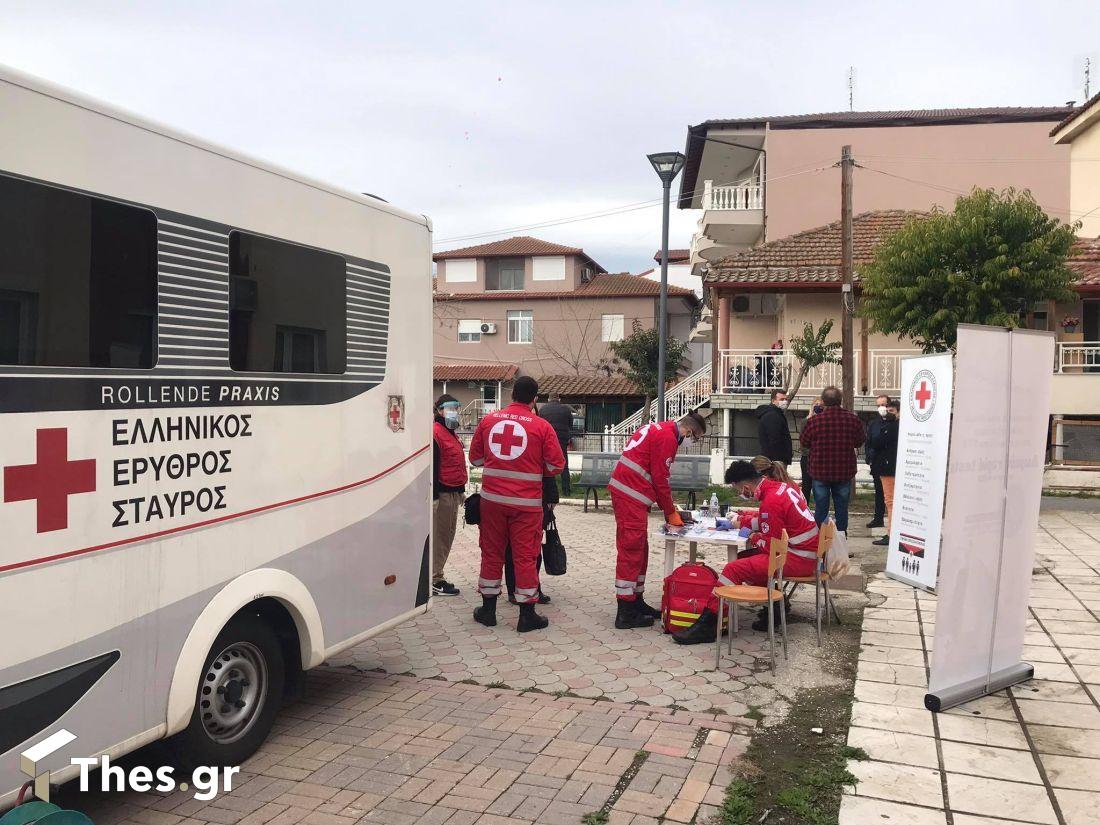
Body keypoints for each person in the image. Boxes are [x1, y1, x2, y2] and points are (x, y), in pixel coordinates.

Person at [672, 457, 820, 644]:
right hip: (806, 554)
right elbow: (770, 520)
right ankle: (772, 607)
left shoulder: (771, 500)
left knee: (733, 569)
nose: (741, 494)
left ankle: (709, 624)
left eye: (738, 490)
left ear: (746, 488)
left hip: (798, 559)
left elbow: (771, 547)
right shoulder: (782, 488)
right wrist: (744, 521)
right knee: (745, 557)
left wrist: (752, 536)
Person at [469, 376, 564, 632]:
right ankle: (526, 614)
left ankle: (488, 610)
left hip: (492, 502)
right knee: (524, 557)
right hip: (526, 504)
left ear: (512, 396)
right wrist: (534, 466)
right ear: (535, 399)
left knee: (491, 553)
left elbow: (476, 459)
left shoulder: (489, 421)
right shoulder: (542, 426)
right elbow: (556, 466)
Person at [609, 411, 707, 629]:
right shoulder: (667, 438)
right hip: (630, 494)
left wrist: (669, 510)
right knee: (631, 549)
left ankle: (636, 600)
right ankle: (625, 612)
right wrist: (670, 512)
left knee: (640, 548)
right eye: (696, 438)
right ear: (689, 431)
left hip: (630, 493)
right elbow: (661, 478)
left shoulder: (659, 429)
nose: (692, 442)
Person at [798, 385, 864, 534]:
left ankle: (820, 542)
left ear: (823, 401)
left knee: (821, 508)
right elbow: (860, 442)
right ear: (840, 400)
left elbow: (804, 442)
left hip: (820, 472)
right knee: (842, 508)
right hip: (844, 472)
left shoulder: (814, 422)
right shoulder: (853, 420)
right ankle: (840, 540)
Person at [431, 394, 466, 597]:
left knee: (448, 536)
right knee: (440, 537)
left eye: (456, 407)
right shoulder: (436, 433)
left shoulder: (451, 433)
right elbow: (435, 467)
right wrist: (434, 496)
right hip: (442, 494)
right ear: (439, 410)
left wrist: (461, 490)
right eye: (450, 407)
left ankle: (437, 575)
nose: (454, 411)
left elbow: (455, 463)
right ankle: (435, 578)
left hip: (453, 491)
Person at [505, 474, 557, 604]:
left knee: (533, 548)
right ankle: (514, 590)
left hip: (535, 496)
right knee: (513, 547)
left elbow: (550, 468)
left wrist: (552, 495)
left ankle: (533, 589)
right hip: (511, 495)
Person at [870, 399, 899, 546]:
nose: (888, 414)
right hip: (888, 466)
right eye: (887, 411)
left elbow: (876, 442)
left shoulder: (893, 427)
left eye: (892, 411)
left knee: (891, 501)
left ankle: (891, 533)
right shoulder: (888, 425)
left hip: (889, 468)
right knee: (890, 501)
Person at [539, 393, 575, 496]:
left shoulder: (543, 409)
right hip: (562, 439)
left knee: (546, 464)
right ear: (559, 399)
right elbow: (570, 424)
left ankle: (548, 489)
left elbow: (540, 424)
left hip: (548, 439)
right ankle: (566, 490)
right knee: (564, 464)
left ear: (549, 399)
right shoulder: (566, 409)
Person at [865, 394, 891, 529]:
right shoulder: (873, 423)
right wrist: (868, 458)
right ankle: (878, 518)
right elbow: (868, 442)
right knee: (879, 491)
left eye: (884, 405)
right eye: (879, 405)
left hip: (890, 463)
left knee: (890, 494)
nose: (881, 408)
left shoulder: (894, 422)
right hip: (876, 463)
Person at [755, 389, 792, 466]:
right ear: (773, 400)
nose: (785, 401)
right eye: (782, 399)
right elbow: (774, 440)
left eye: (786, 399)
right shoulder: (773, 416)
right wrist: (778, 461)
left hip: (776, 460)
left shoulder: (777, 413)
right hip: (776, 461)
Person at [798, 398, 823, 505]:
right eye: (816, 404)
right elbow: (803, 441)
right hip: (807, 458)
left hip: (820, 459)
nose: (818, 406)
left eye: (820, 405)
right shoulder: (805, 421)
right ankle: (804, 509)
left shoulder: (824, 421)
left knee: (820, 488)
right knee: (806, 486)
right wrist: (810, 416)